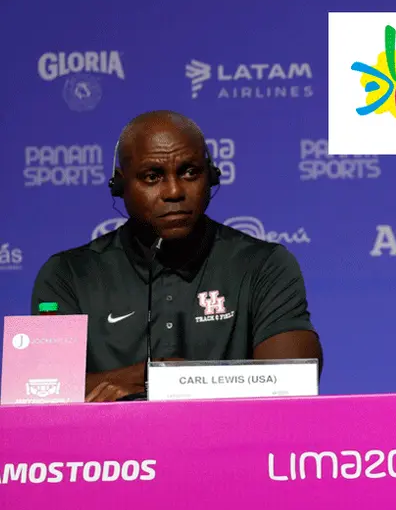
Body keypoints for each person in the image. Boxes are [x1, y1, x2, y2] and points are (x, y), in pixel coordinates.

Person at [31, 110, 323, 401]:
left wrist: (170, 382)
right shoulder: (68, 275)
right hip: (110, 446)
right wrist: (151, 376)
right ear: (120, 186)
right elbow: (41, 391)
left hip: (229, 444)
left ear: (211, 176)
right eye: (152, 176)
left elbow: (290, 386)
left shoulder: (263, 264)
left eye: (189, 172)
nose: (174, 191)